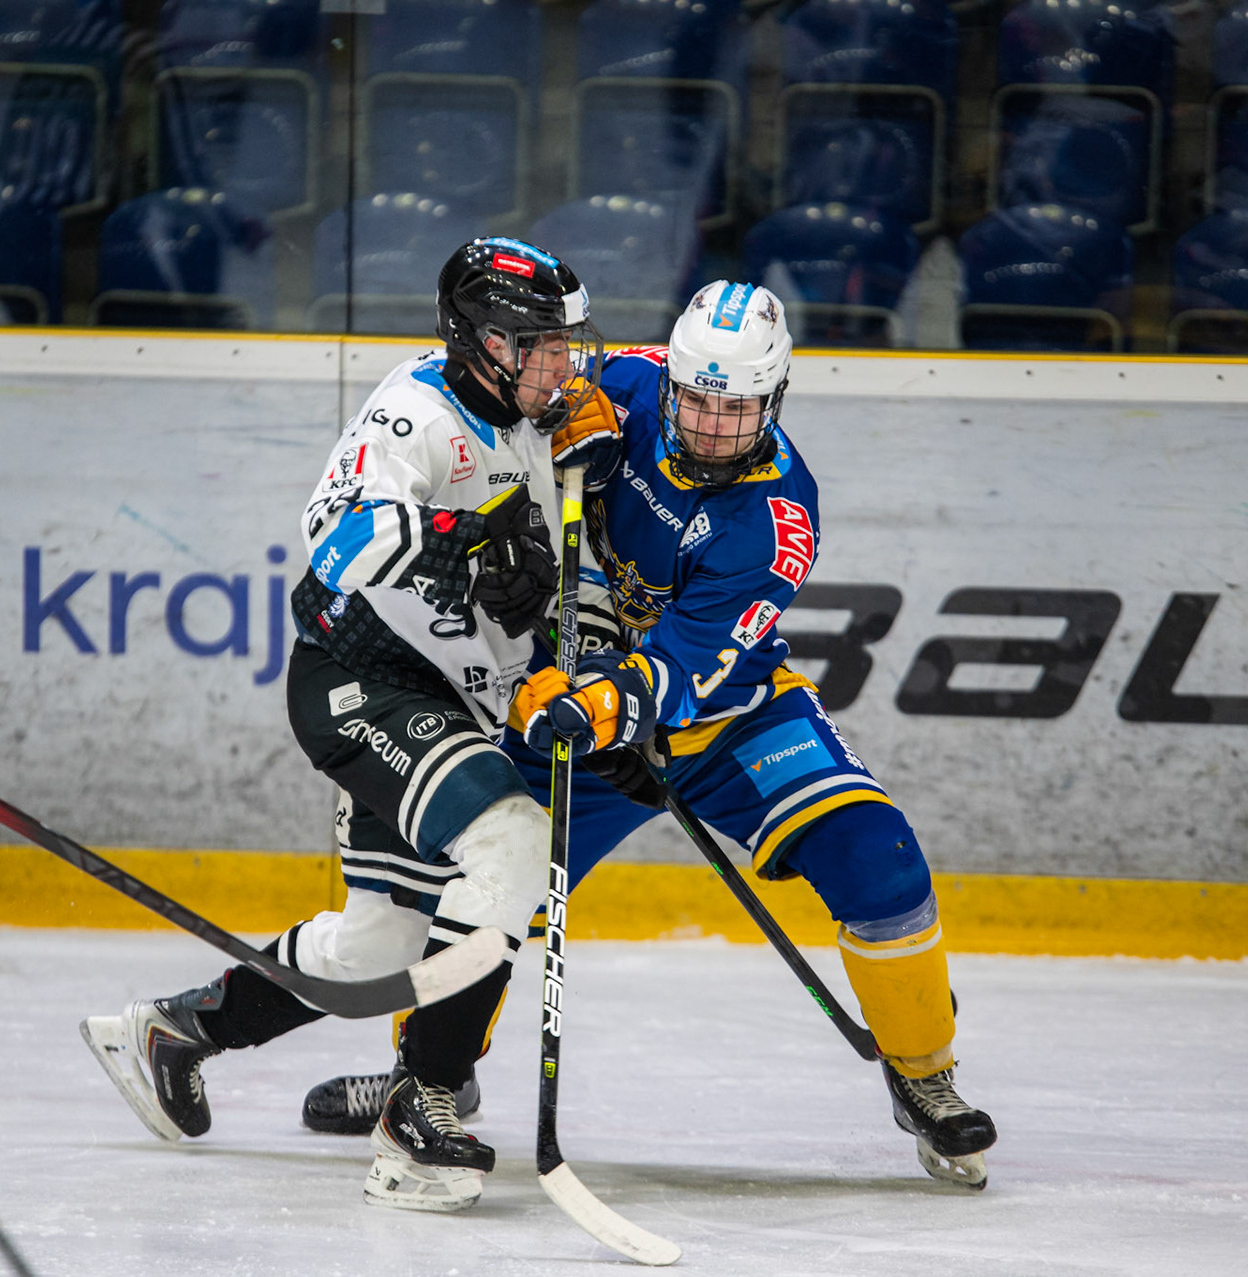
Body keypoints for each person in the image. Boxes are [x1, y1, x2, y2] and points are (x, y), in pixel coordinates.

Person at [302, 282, 1000, 1189]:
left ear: (775, 398)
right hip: (573, 701)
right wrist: (558, 419)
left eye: (736, 408)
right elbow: (519, 392)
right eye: (697, 399)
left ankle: (924, 1072)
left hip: (724, 718)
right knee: (487, 879)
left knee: (880, 859)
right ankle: (431, 1074)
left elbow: (684, 668)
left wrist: (606, 703)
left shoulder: (778, 520)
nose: (711, 425)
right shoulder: (626, 380)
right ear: (671, 377)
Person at [82, 237, 616, 1212]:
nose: (561, 363)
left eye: (566, 344)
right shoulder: (416, 411)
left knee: (380, 945)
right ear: (482, 340)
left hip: (452, 701)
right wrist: (465, 542)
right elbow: (338, 536)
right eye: (540, 344)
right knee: (512, 839)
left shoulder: (547, 420)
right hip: (363, 681)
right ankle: (422, 1109)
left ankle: (173, 1031)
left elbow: (543, 599)